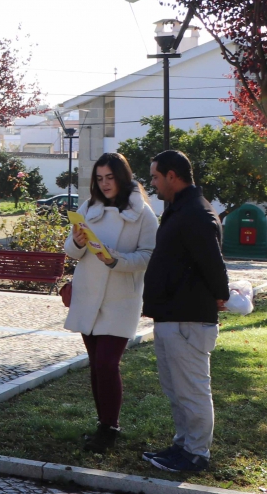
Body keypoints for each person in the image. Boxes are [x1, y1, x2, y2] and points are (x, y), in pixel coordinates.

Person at [62, 153, 158, 452]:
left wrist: (116, 259)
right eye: (99, 178)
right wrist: (78, 241)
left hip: (121, 298)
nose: (104, 184)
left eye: (110, 177)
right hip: (88, 294)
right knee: (96, 365)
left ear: (122, 177)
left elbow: (150, 255)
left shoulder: (142, 214)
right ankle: (103, 424)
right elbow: (71, 250)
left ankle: (111, 427)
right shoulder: (89, 207)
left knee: (107, 363)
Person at [140, 150, 228, 473]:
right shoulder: (180, 209)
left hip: (189, 319)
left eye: (155, 177)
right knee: (176, 390)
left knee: (192, 389)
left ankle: (196, 454)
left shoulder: (195, 213)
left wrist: (221, 295)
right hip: (170, 317)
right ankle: (182, 445)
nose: (152, 184)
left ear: (172, 177)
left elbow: (213, 264)